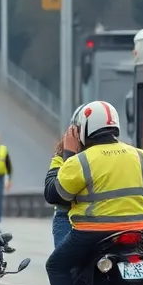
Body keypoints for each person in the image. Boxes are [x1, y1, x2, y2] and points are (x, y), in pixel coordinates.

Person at [0, 101, 143, 285]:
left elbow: (54, 194)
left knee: (56, 266)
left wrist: (64, 156)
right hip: (136, 230)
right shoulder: (141, 156)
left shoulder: (81, 161)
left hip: (93, 233)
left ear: (83, 129)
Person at [48, 106, 86, 248]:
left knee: (56, 267)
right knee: (60, 265)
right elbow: (55, 195)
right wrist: (69, 156)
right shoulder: (60, 158)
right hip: (68, 217)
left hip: (100, 218)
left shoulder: (104, 155)